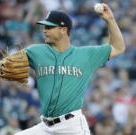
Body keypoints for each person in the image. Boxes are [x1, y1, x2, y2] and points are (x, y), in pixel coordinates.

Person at [15, 3, 125, 135]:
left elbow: (118, 48)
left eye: (49, 27)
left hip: (71, 126)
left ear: (63, 30)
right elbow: (7, 64)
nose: (44, 30)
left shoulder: (85, 55)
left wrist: (110, 20)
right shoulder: (36, 51)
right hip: (45, 127)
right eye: (45, 27)